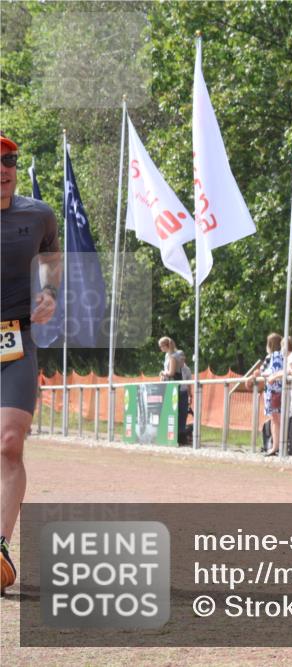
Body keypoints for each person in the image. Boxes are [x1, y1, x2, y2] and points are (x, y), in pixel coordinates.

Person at [0, 133, 60, 595]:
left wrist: (50, 293)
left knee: (9, 443)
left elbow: (53, 260)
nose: (4, 169)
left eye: (10, 160)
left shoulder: (38, 214)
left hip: (14, 340)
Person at [252, 333, 284, 456]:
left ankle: (275, 446)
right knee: (277, 419)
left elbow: (267, 371)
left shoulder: (273, 356)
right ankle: (278, 445)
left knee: (275, 419)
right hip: (278, 390)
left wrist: (258, 373)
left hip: (273, 390)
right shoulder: (282, 356)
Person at [158, 337, 190, 445]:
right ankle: (178, 436)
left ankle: (179, 436)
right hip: (175, 386)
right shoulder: (170, 355)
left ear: (165, 346)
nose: (160, 348)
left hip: (175, 386)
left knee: (178, 412)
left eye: (161, 346)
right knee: (179, 412)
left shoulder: (172, 356)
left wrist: (163, 372)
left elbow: (172, 372)